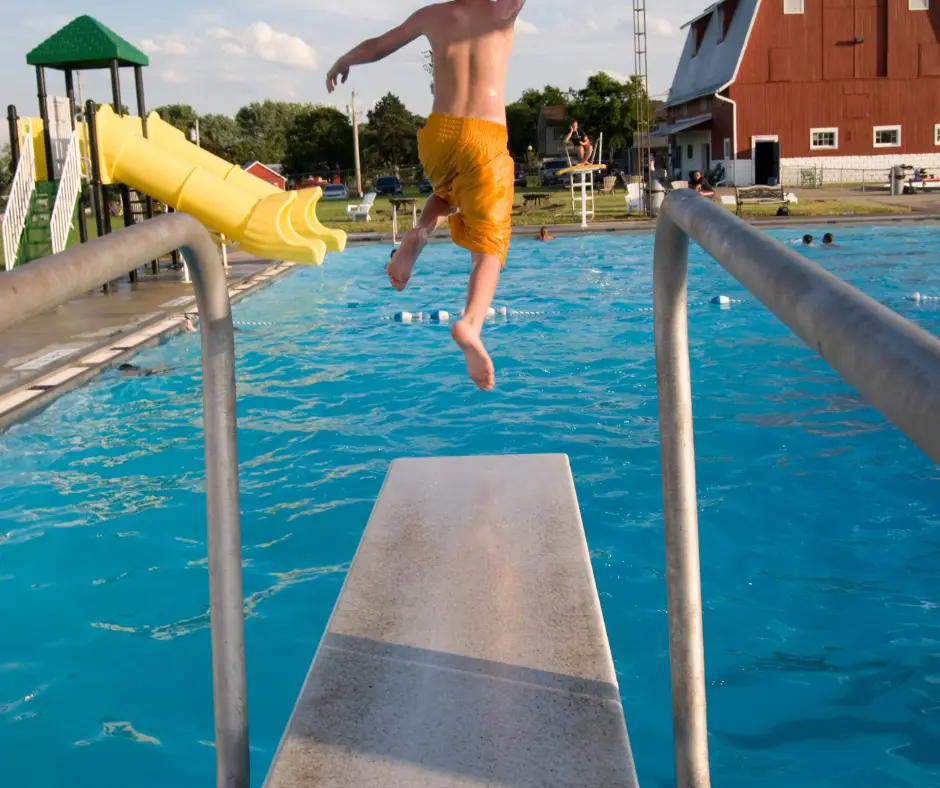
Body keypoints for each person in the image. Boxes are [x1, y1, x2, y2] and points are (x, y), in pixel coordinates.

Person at [327, 0, 528, 390]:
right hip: (483, 136)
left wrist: (344, 60)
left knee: (447, 191)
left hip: (438, 134)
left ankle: (418, 234)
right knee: (491, 239)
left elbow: (379, 45)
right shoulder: (500, 12)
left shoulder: (433, 15)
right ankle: (471, 324)